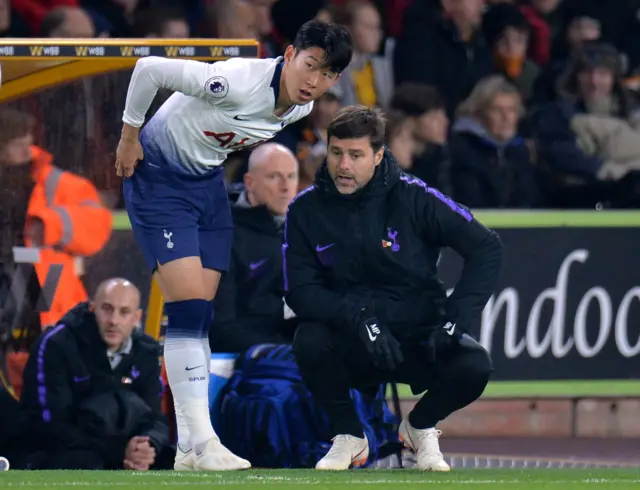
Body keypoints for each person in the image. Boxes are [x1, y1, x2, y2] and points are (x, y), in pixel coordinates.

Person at [114, 19, 353, 471]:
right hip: (160, 180)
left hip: (207, 185)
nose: (314, 81)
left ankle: (190, 447)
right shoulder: (236, 82)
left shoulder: (299, 112)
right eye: (309, 66)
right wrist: (129, 136)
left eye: (326, 75)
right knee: (186, 310)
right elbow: (148, 69)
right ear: (288, 54)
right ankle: (203, 443)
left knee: (200, 316)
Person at [283, 105, 503, 471]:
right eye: (336, 153)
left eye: (355, 155)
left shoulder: (415, 197)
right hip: (353, 339)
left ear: (379, 155)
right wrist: (359, 318)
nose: (343, 166)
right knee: (308, 338)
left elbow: (487, 247)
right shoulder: (304, 210)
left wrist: (454, 322)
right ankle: (349, 436)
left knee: (475, 365)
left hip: (415, 337)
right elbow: (300, 291)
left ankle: (419, 426)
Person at [14, 279, 171, 470]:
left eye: (124, 312)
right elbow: (50, 426)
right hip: (53, 450)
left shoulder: (147, 351)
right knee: (87, 462)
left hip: (119, 449)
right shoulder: (56, 345)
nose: (113, 320)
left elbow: (155, 417)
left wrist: (148, 445)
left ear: (136, 318)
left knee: (173, 459)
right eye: (106, 309)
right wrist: (120, 451)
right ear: (92, 308)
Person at [210, 143, 300, 354]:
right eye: (274, 177)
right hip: (241, 361)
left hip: (292, 353)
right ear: (249, 183)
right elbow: (220, 328)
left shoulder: (305, 230)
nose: (286, 187)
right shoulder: (221, 235)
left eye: (292, 176)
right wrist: (282, 352)